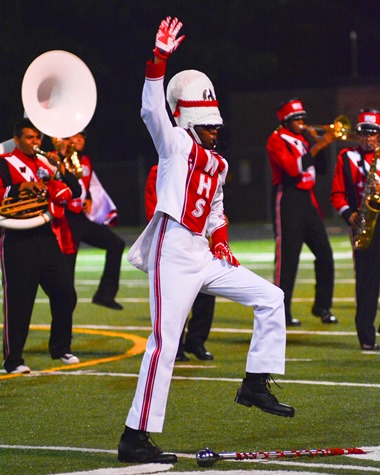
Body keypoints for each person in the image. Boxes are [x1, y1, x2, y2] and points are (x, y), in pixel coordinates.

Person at [117, 17, 294, 465]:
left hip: (201, 251)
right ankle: (134, 436)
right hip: (173, 249)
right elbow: (150, 108)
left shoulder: (219, 164)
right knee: (165, 343)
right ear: (192, 122)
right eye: (210, 124)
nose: (217, 130)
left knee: (271, 297)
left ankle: (254, 383)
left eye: (218, 124)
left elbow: (215, 212)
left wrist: (221, 243)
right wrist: (158, 59)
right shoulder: (174, 143)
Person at [0, 118, 82, 374]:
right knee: (19, 301)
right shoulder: (5, 162)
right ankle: (13, 361)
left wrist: (61, 168)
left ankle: (60, 347)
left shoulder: (46, 163)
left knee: (65, 293)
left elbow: (76, 191)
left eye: (37, 138)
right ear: (17, 140)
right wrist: (21, 186)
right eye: (29, 138)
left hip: (45, 234)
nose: (35, 142)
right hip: (16, 238)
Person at [266, 98, 338, 327]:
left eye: (302, 118)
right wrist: (316, 146)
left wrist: (319, 143)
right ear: (286, 121)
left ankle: (322, 306)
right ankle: (281, 312)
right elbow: (292, 168)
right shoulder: (276, 139)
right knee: (288, 260)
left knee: (326, 254)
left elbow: (323, 169)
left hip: (308, 201)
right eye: (296, 119)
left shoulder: (303, 139)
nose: (301, 122)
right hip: (288, 198)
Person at [145, 164, 216, 361]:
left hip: (200, 240)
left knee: (206, 291)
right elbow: (154, 205)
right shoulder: (162, 168)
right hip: (175, 241)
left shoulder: (206, 167)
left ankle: (197, 341)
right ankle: (174, 347)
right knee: (177, 296)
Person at [51, 131, 125, 311]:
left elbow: (87, 185)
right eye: (73, 136)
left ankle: (104, 295)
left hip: (80, 218)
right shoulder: (54, 159)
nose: (78, 139)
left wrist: (90, 197)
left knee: (116, 244)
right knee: (68, 271)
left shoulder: (85, 160)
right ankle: (64, 323)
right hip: (64, 219)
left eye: (82, 136)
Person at [331, 108, 380, 351]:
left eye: (372, 134)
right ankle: (367, 335)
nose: (368, 138)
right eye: (364, 133)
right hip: (363, 222)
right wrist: (348, 213)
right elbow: (336, 193)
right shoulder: (346, 157)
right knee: (366, 281)